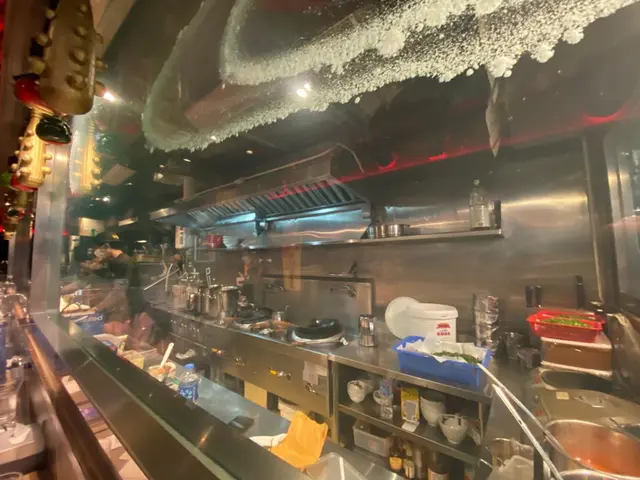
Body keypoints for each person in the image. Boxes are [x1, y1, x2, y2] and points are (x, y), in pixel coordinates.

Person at [62, 232, 154, 347]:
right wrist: (60, 291)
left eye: (97, 249)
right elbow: (86, 281)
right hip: (116, 311)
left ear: (106, 246)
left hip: (128, 311)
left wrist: (96, 309)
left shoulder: (124, 262)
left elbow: (118, 292)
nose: (96, 254)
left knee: (126, 344)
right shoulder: (111, 262)